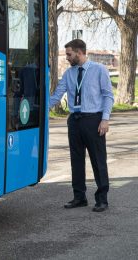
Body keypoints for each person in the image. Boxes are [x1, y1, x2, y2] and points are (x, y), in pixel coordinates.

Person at [50, 39, 114, 212]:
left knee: (98, 160)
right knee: (76, 161)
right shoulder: (69, 74)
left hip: (94, 120)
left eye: (69, 54)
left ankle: (102, 199)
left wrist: (105, 119)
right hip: (74, 121)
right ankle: (79, 197)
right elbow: (56, 96)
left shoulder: (99, 70)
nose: (67, 58)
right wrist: (37, 108)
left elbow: (108, 96)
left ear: (79, 53)